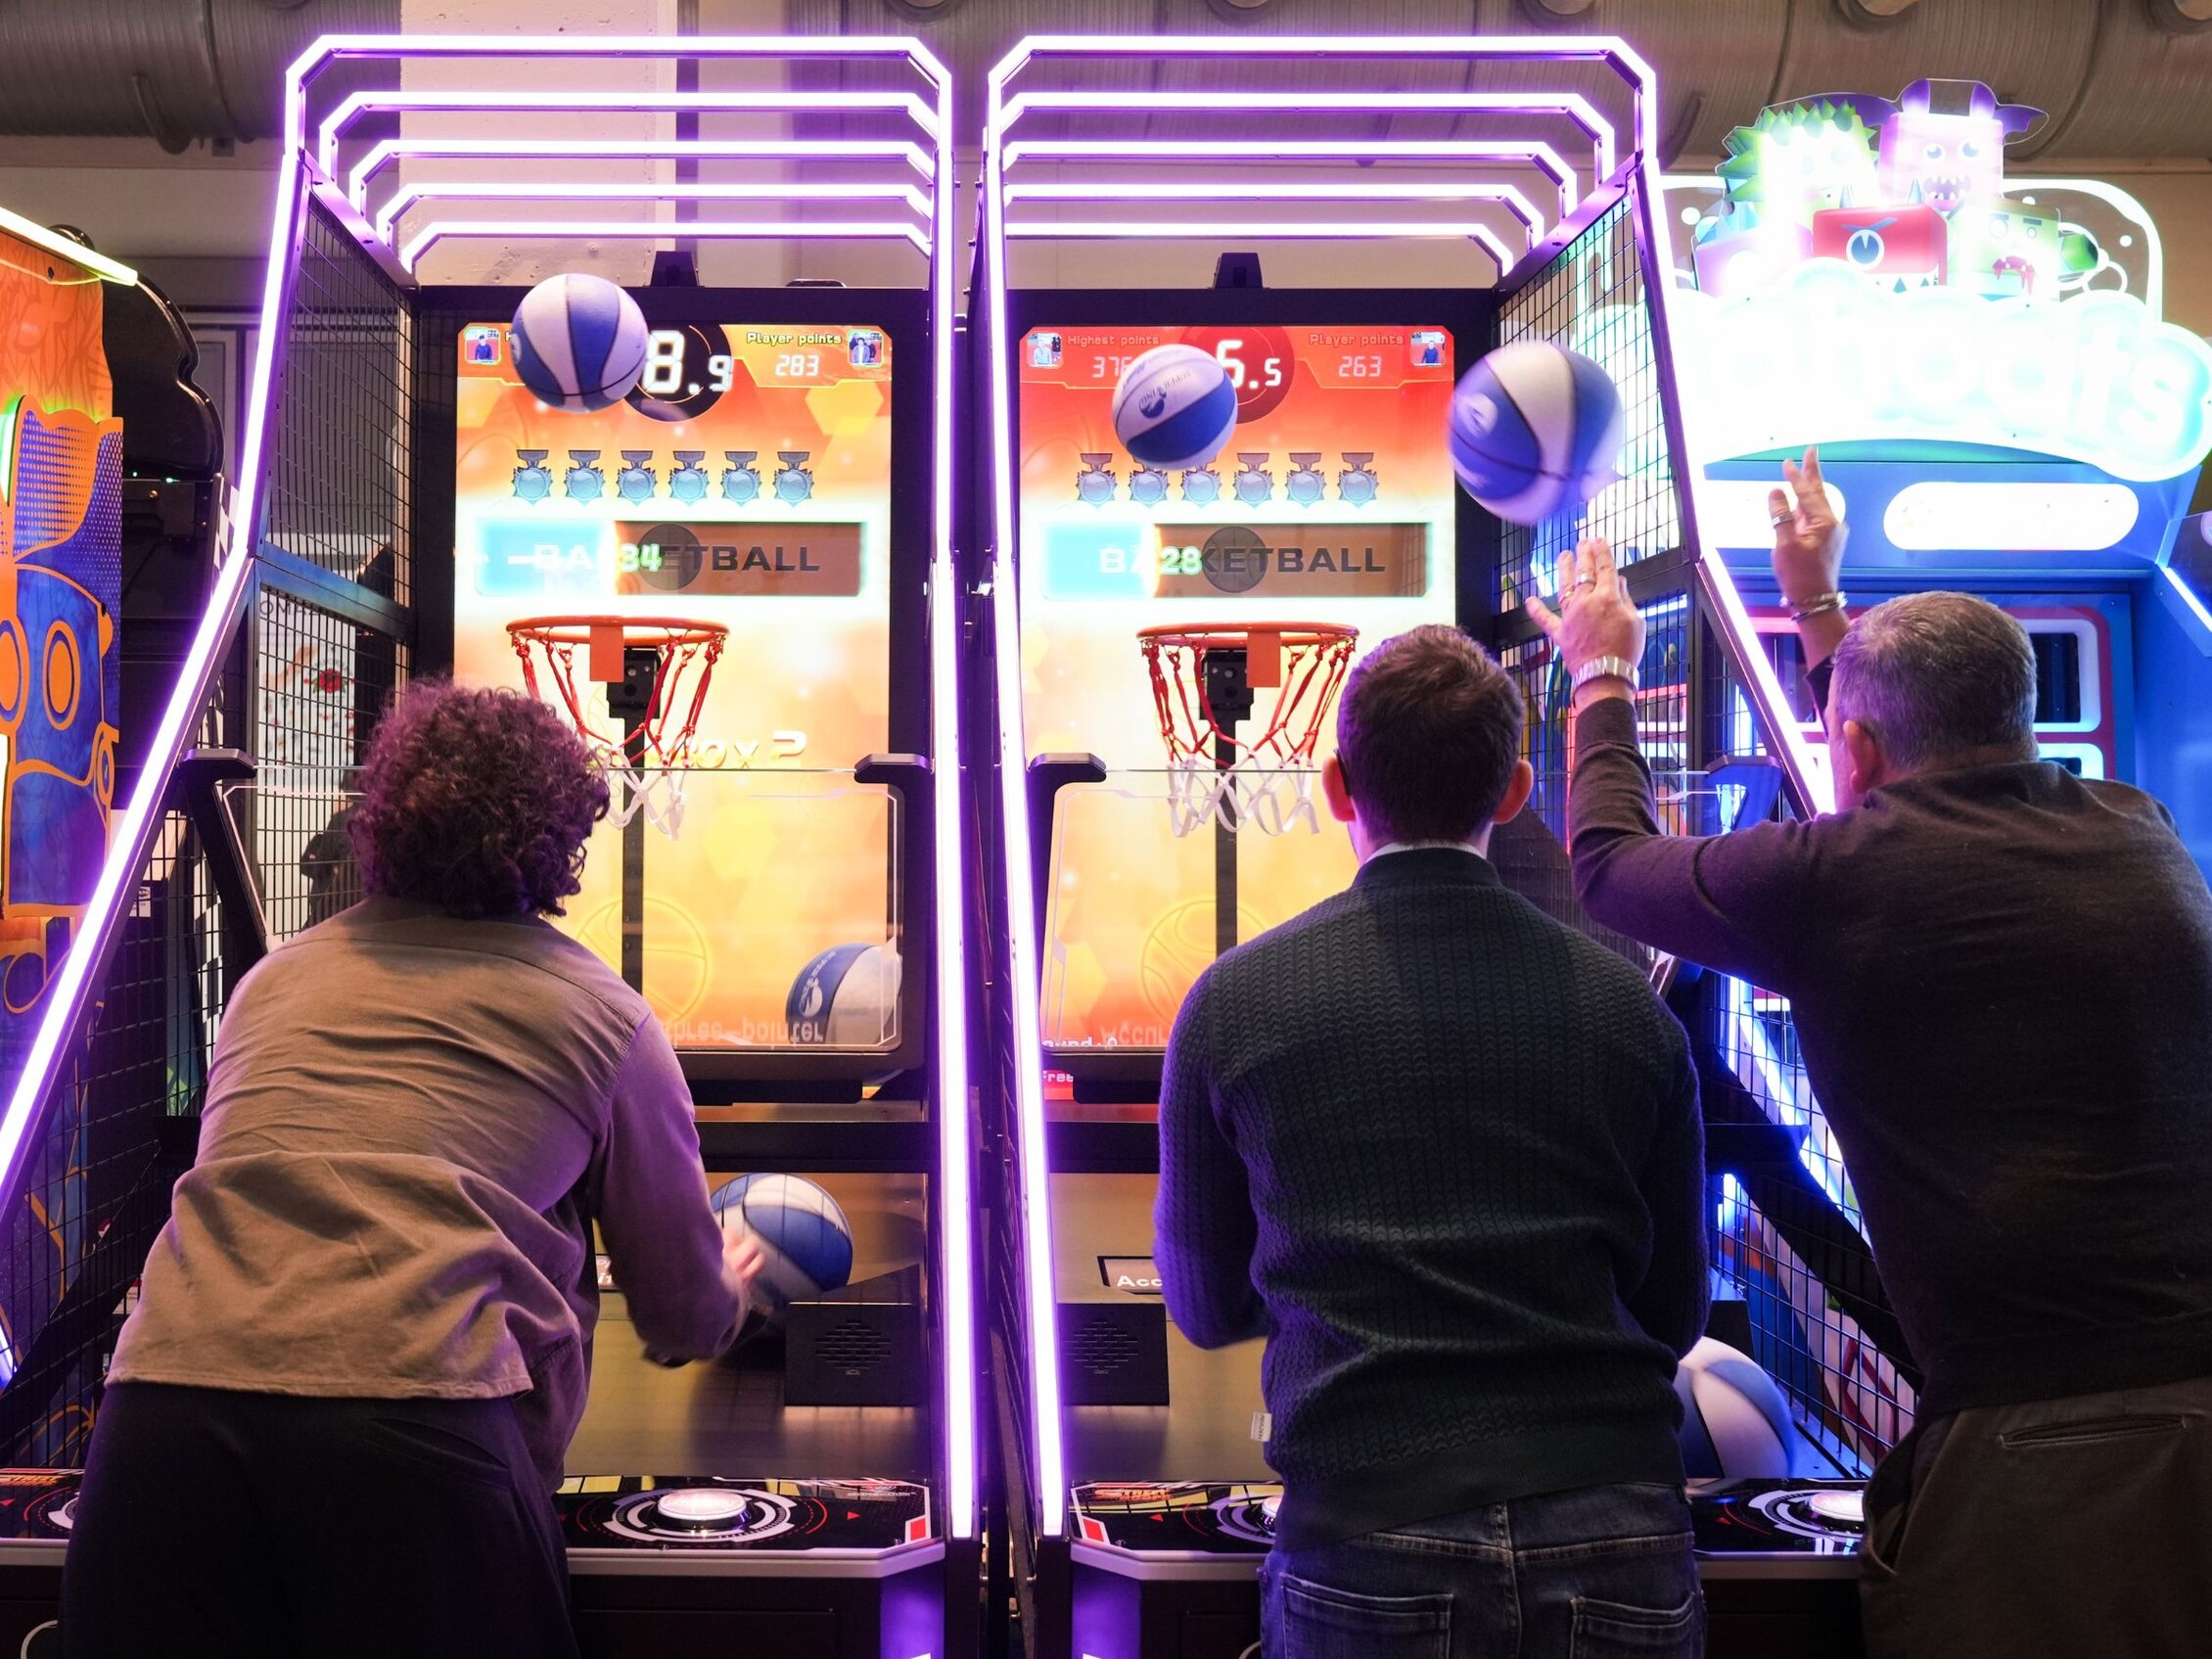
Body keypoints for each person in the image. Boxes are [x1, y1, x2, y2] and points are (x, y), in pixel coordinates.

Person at [1528, 449, 2212, 1658]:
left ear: (1854, 750)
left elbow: (1606, 867)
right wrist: (1815, 608)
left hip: (2047, 1447)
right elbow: (1898, 764)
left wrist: (1601, 677)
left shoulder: (1845, 883)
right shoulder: (2135, 828)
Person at [63, 681, 763, 1659]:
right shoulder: (603, 1016)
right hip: (409, 1425)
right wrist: (728, 1285)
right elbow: (682, 1316)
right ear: (562, 834)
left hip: (163, 1420)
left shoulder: (274, 985)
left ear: (380, 816)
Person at [1155, 623, 1711, 1659]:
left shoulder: (1232, 1003)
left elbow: (1203, 1303)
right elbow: (1674, 1307)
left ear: (1333, 784)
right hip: (1619, 1523)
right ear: (1512, 790)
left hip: (1368, 1528)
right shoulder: (1629, 1010)